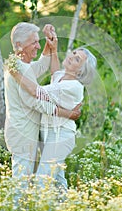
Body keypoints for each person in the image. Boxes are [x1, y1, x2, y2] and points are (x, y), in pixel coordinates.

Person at [10, 43, 97, 191]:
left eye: (77, 60)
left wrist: (15, 72)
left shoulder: (74, 86)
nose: (71, 57)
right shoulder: (63, 77)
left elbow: (35, 91)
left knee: (42, 180)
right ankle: (65, 210)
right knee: (58, 182)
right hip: (50, 134)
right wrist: (54, 49)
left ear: (80, 71)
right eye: (74, 53)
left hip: (61, 137)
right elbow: (55, 75)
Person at [4, 22, 81, 182]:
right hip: (22, 133)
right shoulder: (20, 69)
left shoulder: (19, 65)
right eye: (34, 42)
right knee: (21, 180)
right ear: (19, 45)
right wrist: (67, 113)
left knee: (52, 177)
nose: (38, 46)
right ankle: (15, 207)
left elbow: (39, 67)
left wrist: (50, 46)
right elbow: (36, 102)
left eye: (39, 41)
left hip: (23, 131)